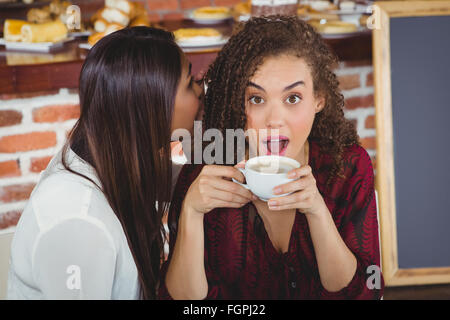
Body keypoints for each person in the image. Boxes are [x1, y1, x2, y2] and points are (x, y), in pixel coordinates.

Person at [160, 16, 384, 299]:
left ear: (319, 99)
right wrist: (192, 212)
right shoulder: (204, 173)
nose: (274, 120)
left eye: (292, 98)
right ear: (236, 101)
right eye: (256, 98)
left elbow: (366, 292)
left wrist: (317, 211)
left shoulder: (348, 167)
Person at [7, 27, 203, 300]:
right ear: (151, 107)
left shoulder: (111, 154)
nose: (201, 88)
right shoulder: (78, 222)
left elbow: (177, 178)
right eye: (191, 82)